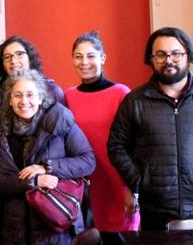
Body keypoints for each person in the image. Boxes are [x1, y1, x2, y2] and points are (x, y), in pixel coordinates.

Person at [107, 27, 193, 231]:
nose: (169, 60)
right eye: (160, 54)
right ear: (151, 59)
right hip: (155, 213)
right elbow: (116, 146)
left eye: (176, 53)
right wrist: (139, 179)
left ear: (188, 55)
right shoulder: (135, 102)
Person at [0, 69, 95, 245]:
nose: (24, 101)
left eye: (30, 95)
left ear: (40, 98)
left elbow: (88, 161)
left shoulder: (60, 121)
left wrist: (48, 167)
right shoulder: (3, 134)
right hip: (17, 230)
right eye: (17, 95)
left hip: (56, 228)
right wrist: (34, 182)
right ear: (10, 101)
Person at [64, 32, 138, 240]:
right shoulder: (68, 96)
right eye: (78, 56)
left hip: (118, 184)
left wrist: (131, 188)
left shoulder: (121, 93)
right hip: (85, 186)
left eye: (91, 56)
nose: (84, 62)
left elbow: (135, 144)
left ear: (102, 58)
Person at [0, 36, 65, 106]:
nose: (13, 60)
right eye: (7, 57)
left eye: (19, 54)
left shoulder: (52, 90)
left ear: (30, 58)